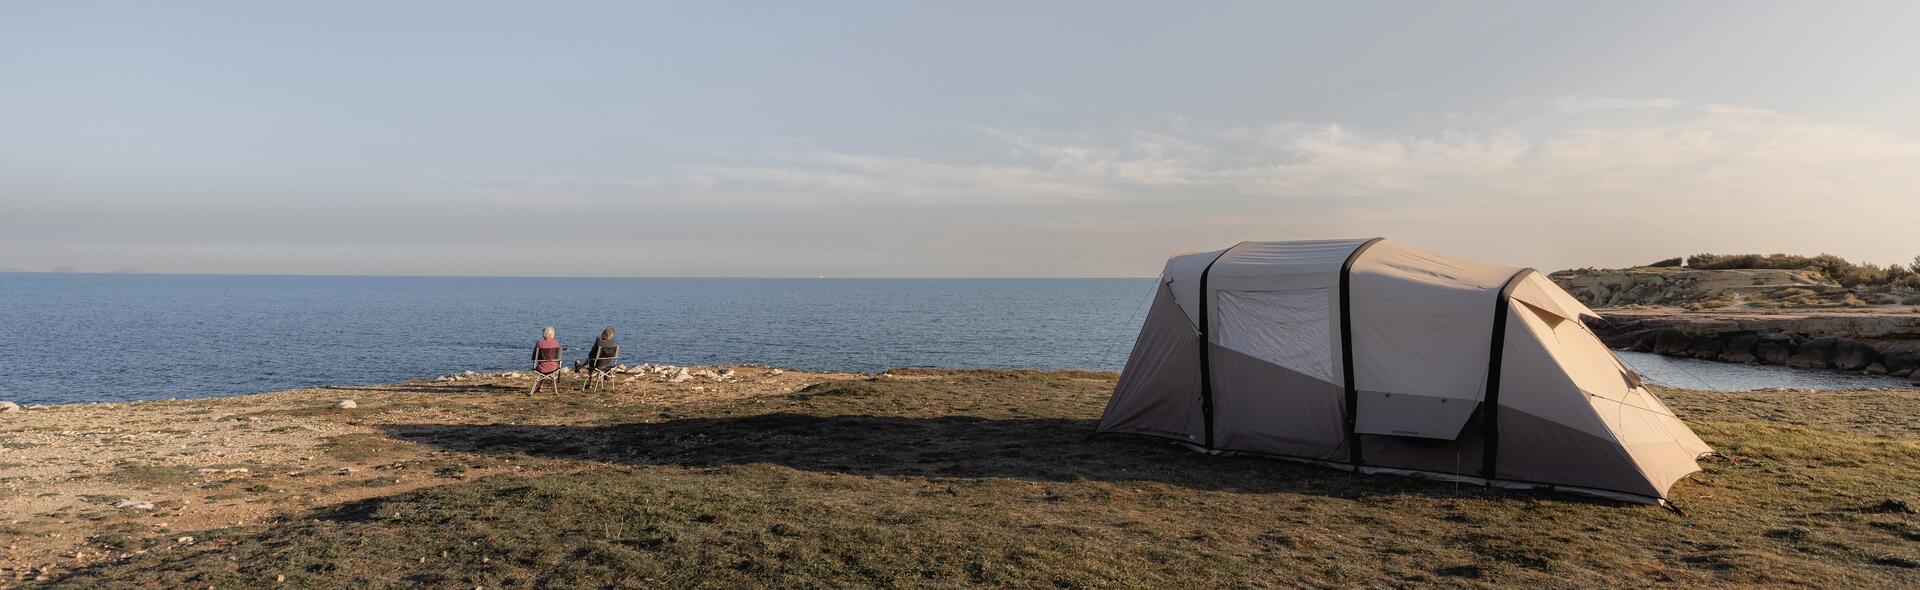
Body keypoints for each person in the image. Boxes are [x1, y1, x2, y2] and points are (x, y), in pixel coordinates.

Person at [529, 326, 562, 394]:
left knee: (543, 366)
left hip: (541, 368)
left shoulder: (539, 343)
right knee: (546, 365)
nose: (554, 335)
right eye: (553, 333)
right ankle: (540, 387)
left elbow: (533, 357)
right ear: (550, 334)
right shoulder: (555, 343)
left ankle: (539, 387)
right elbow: (558, 357)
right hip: (553, 367)